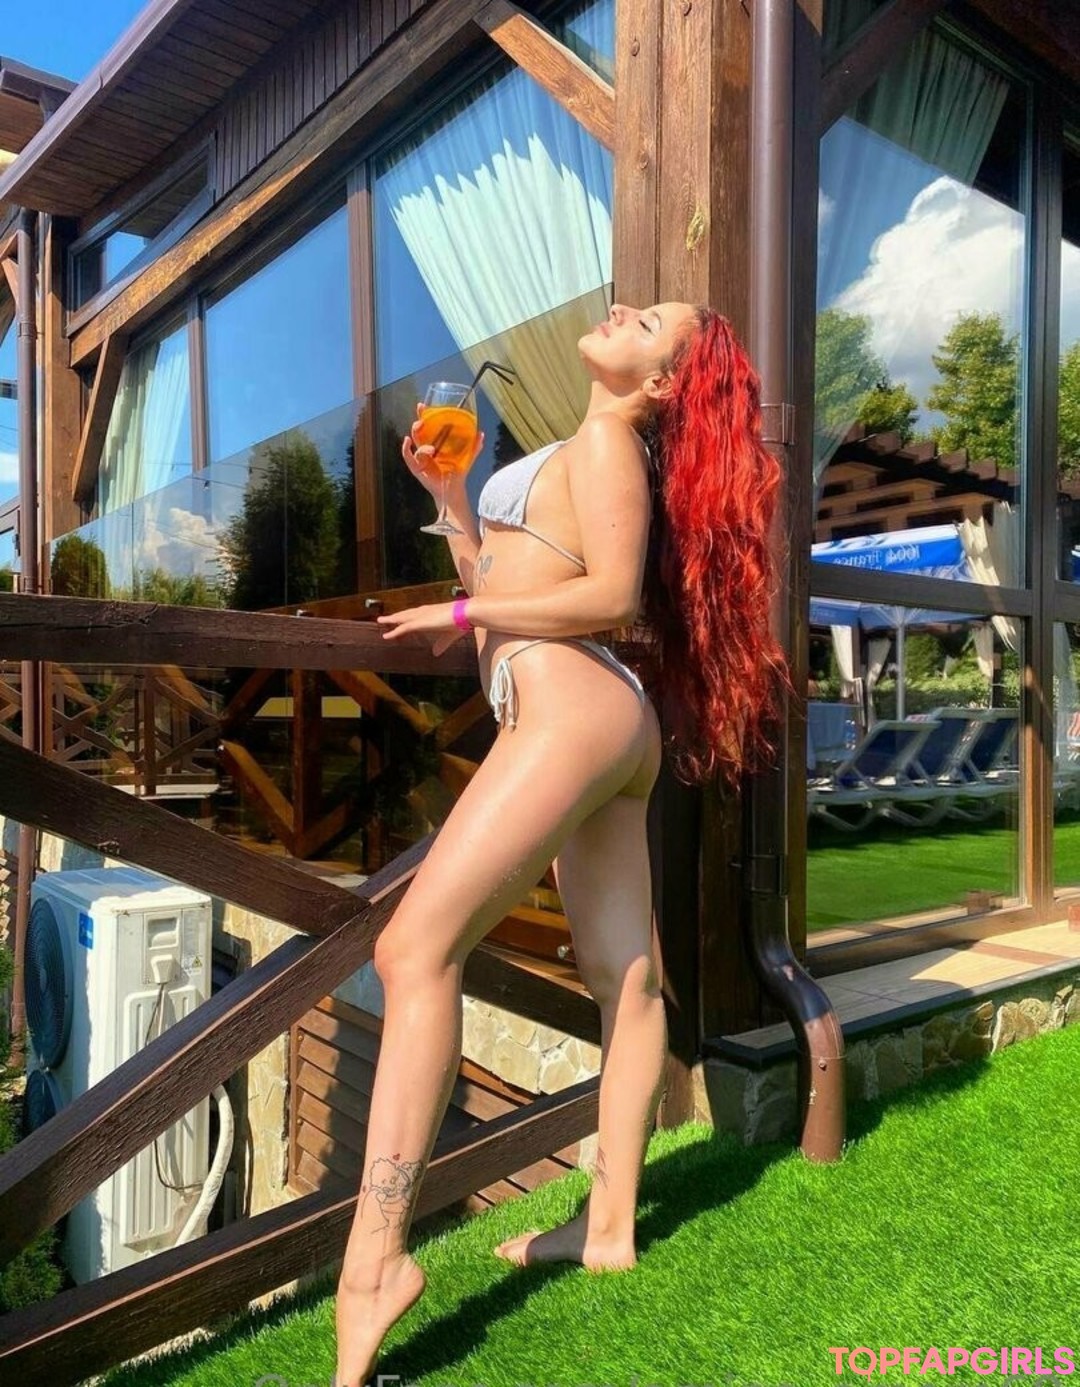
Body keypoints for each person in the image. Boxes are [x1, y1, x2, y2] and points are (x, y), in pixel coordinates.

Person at [334, 301, 791, 1387]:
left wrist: (453, 621)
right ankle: (608, 1226)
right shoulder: (586, 445)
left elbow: (609, 596)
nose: (624, 309)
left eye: (652, 324)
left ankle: (376, 1261)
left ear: (662, 383)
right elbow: (510, 595)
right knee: (628, 981)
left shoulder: (606, 441)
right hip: (597, 720)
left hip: (573, 710)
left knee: (411, 952)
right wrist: (453, 505)